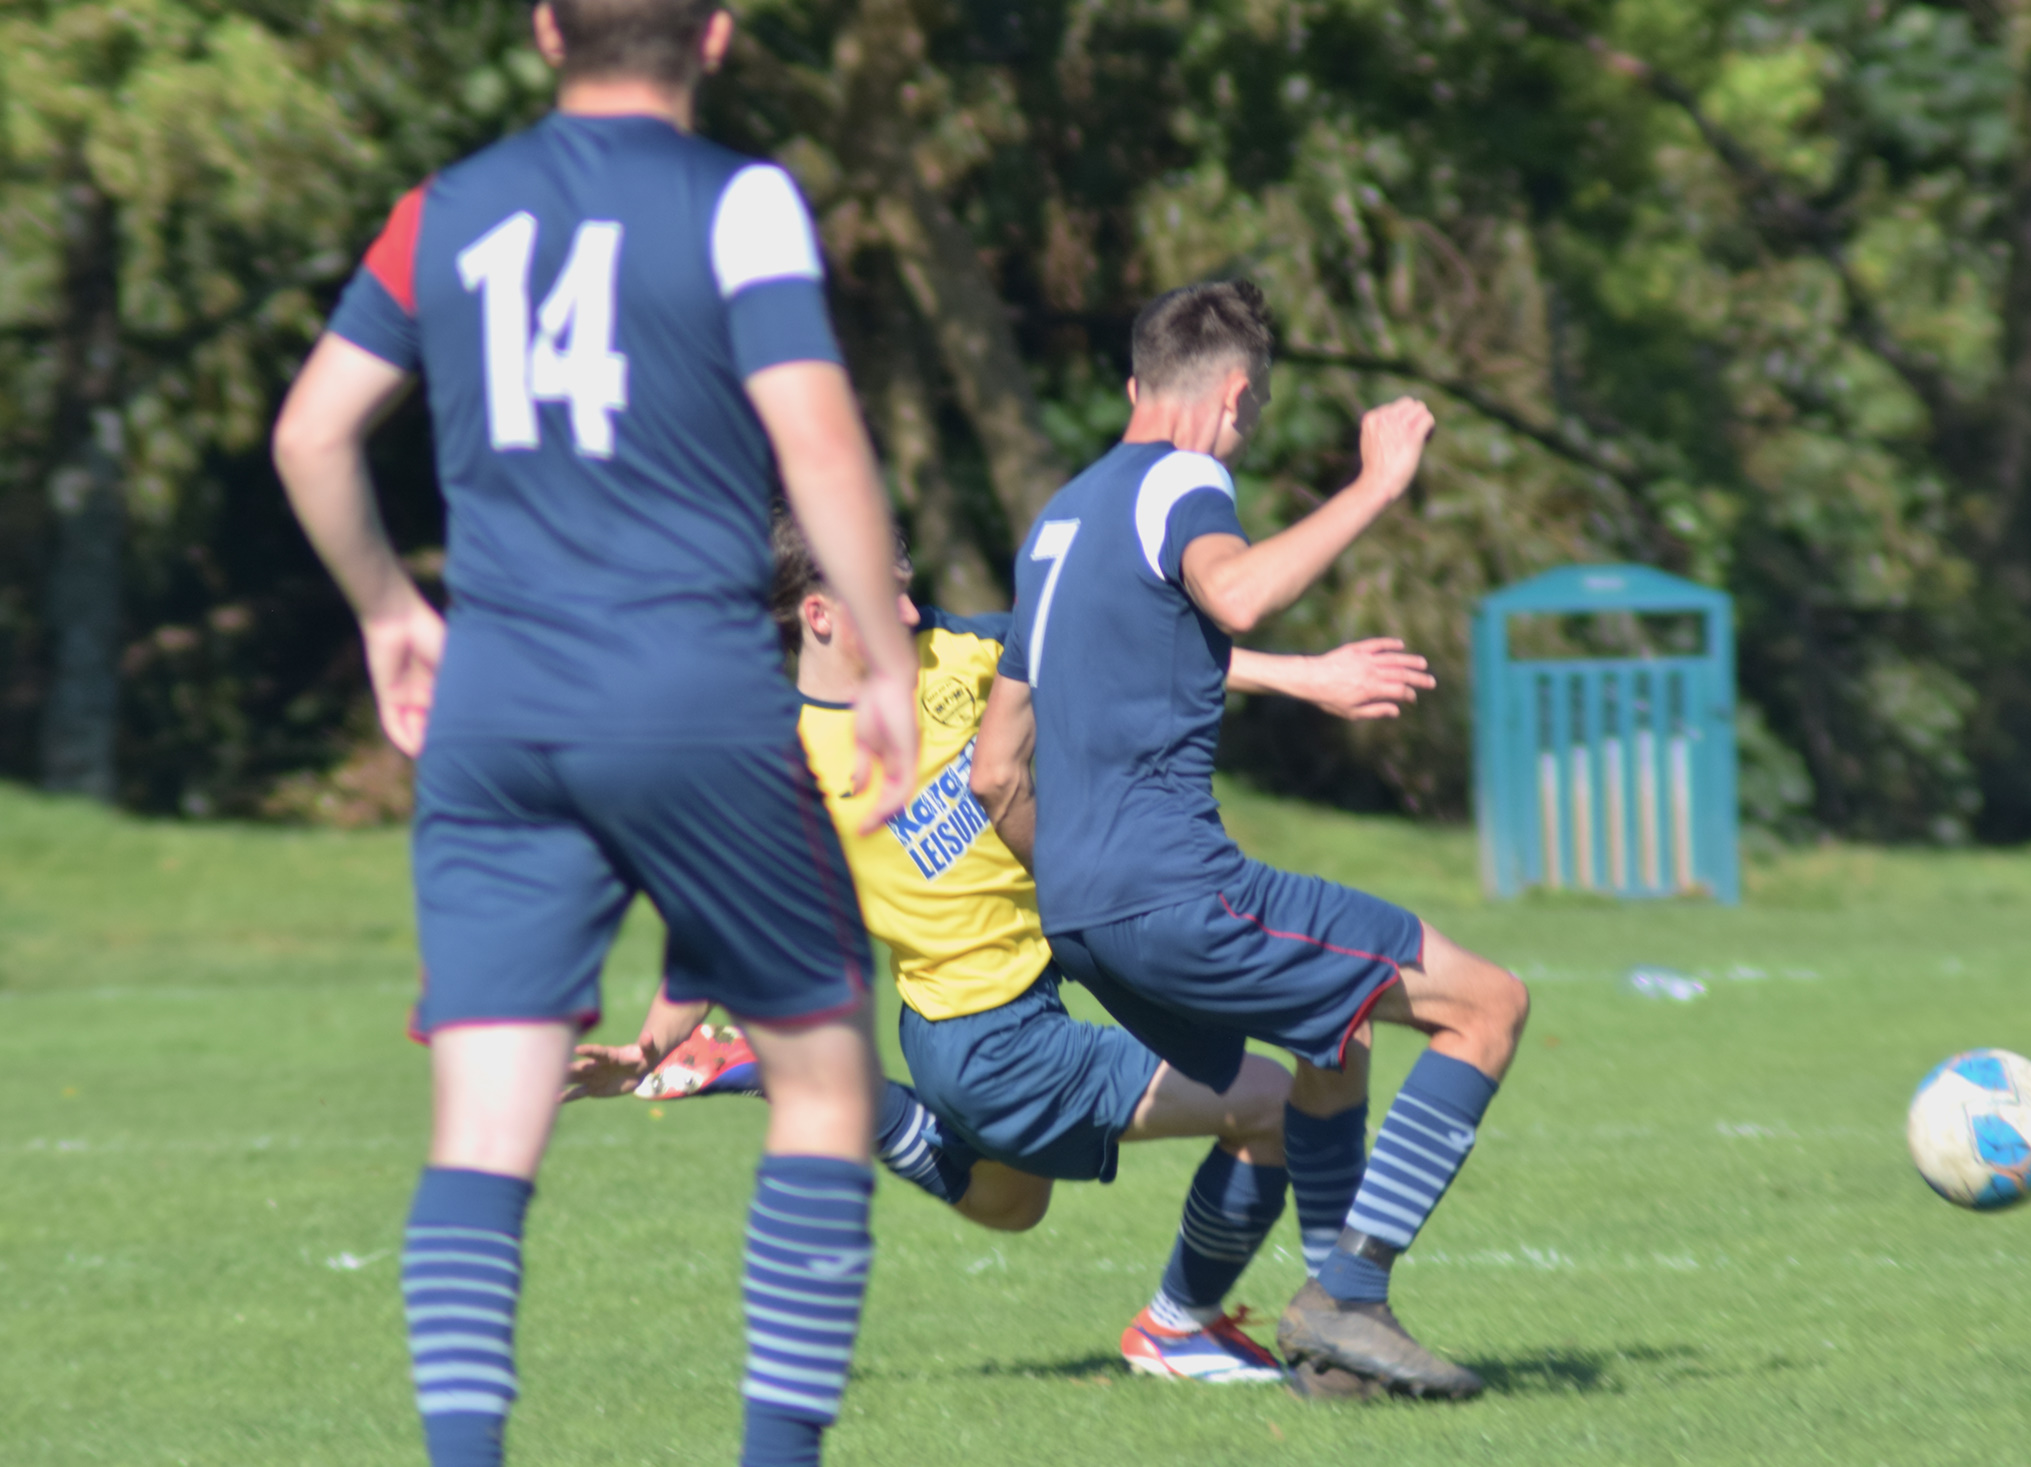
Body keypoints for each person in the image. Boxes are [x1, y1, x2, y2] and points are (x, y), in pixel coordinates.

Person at [269, 5, 917, 1465]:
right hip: (689, 689)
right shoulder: (740, 202)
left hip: (496, 714)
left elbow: (312, 432)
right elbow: (817, 440)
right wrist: (879, 646)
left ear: (547, 26)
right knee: (819, 1081)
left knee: (482, 1135)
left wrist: (388, 607)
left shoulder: (441, 210)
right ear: (718, 33)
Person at [566, 512, 1440, 1386]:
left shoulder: (964, 649)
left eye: (906, 589)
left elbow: (1131, 663)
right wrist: (647, 1051)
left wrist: (1308, 674)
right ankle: (1181, 1325)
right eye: (886, 596)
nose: (910, 614)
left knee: (1014, 1203)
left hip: (1012, 1001)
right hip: (986, 1041)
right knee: (1272, 1104)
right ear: (821, 615)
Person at [970, 281, 1530, 1400]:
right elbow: (1233, 595)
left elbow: (994, 767)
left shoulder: (1058, 520)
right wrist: (1375, 483)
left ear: (1135, 387)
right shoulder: (1185, 476)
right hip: (1177, 892)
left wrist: (1084, 877)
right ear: (1230, 397)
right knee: (1487, 1005)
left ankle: (1333, 1346)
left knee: (1336, 1042)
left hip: (1081, 912)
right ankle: (1350, 1295)